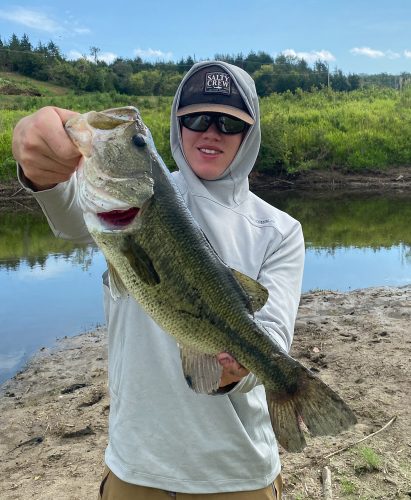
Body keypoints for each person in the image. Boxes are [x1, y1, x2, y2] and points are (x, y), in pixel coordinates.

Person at [12, 61, 305, 499]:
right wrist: (38, 157)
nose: (211, 132)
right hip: (137, 464)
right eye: (196, 119)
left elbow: (273, 338)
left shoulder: (280, 230)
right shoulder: (130, 199)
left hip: (238, 473)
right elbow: (68, 214)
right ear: (176, 124)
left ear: (250, 133)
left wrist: (237, 370)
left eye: (228, 122)